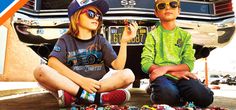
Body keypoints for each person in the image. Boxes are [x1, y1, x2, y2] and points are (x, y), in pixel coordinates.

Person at [33, 0, 138, 107]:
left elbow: (118, 66)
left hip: (99, 84)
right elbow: (52, 62)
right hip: (73, 83)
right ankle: (98, 98)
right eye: (91, 14)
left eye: (99, 16)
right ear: (76, 17)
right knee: (40, 71)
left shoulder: (100, 40)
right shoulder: (65, 40)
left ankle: (77, 97)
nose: (96, 18)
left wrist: (124, 41)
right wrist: (82, 81)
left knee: (128, 75)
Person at [141, 0, 213, 107]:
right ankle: (155, 91)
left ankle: (179, 95)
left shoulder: (185, 36)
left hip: (181, 76)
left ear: (178, 10)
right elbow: (146, 64)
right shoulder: (152, 35)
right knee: (167, 96)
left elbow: (189, 64)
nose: (168, 8)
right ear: (156, 13)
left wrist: (165, 69)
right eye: (162, 6)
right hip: (162, 77)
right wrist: (172, 73)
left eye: (173, 4)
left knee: (205, 98)